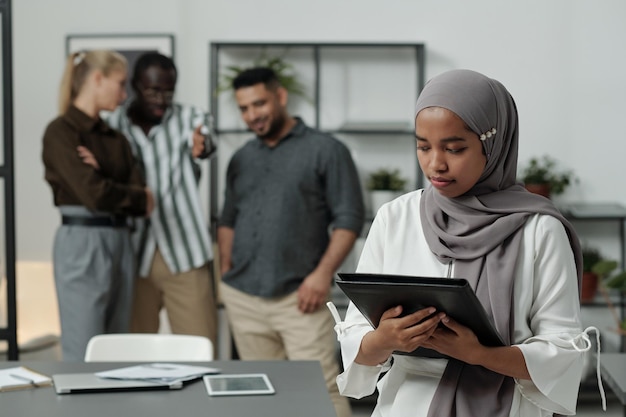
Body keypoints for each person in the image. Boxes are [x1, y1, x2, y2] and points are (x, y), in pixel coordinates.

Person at [335, 69, 590, 416]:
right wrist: (384, 340)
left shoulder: (539, 230)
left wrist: (481, 355)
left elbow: (563, 351)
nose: (435, 164)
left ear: (493, 145)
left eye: (454, 148)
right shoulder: (396, 217)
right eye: (423, 147)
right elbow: (355, 334)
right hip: (408, 405)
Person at [217, 67, 364, 417]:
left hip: (301, 297)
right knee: (262, 391)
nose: (252, 115)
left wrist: (321, 276)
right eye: (244, 108)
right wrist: (227, 269)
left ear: (280, 97)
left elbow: (349, 219)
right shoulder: (241, 158)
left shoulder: (327, 150)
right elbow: (227, 219)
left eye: (259, 104)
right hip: (244, 297)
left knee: (321, 388)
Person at [42, 50, 154, 361]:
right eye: (120, 84)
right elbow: (94, 195)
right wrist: (126, 192)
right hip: (82, 242)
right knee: (84, 352)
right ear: (97, 79)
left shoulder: (117, 139)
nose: (124, 94)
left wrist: (101, 171)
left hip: (121, 241)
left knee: (117, 351)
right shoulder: (60, 132)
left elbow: (143, 201)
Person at [104, 52, 218, 345]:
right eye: (153, 90)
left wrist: (201, 146)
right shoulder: (112, 123)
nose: (161, 99)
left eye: (168, 91)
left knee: (201, 348)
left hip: (185, 253)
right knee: (133, 353)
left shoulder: (188, 117)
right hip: (133, 253)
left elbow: (204, 138)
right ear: (134, 85)